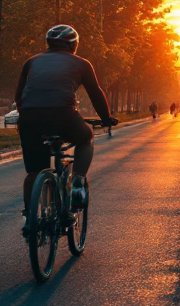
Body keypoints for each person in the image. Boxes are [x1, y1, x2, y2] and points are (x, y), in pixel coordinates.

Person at [14, 25, 116, 229]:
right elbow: (95, 93)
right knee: (86, 136)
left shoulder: (32, 61)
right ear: (74, 44)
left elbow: (19, 94)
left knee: (34, 172)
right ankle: (78, 183)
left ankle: (29, 219)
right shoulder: (82, 63)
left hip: (29, 118)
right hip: (64, 115)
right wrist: (106, 117)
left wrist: (28, 114)